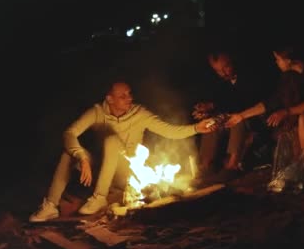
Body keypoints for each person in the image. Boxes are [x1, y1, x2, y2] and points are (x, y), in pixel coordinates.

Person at [29, 81, 217, 222]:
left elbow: (169, 130)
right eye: (123, 96)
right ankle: (50, 206)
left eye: (129, 94)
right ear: (109, 99)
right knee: (68, 153)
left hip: (124, 171)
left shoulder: (139, 113)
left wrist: (195, 128)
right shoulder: (97, 112)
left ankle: (99, 197)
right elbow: (69, 132)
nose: (129, 98)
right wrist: (81, 156)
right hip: (100, 167)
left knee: (112, 141)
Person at [226, 46, 304, 191]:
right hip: (296, 115)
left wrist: (286, 112)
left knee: (302, 120)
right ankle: (298, 175)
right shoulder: (288, 76)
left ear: (288, 60)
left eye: (278, 59)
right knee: (286, 129)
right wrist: (241, 115)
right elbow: (272, 101)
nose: (276, 63)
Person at [193, 51, 266, 175]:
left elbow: (253, 103)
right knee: (211, 123)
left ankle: (232, 165)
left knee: (237, 121)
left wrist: (235, 115)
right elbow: (223, 102)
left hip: (251, 118)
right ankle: (206, 165)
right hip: (229, 118)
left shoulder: (251, 77)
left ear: (233, 62)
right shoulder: (221, 82)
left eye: (226, 68)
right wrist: (208, 109)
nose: (223, 73)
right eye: (218, 71)